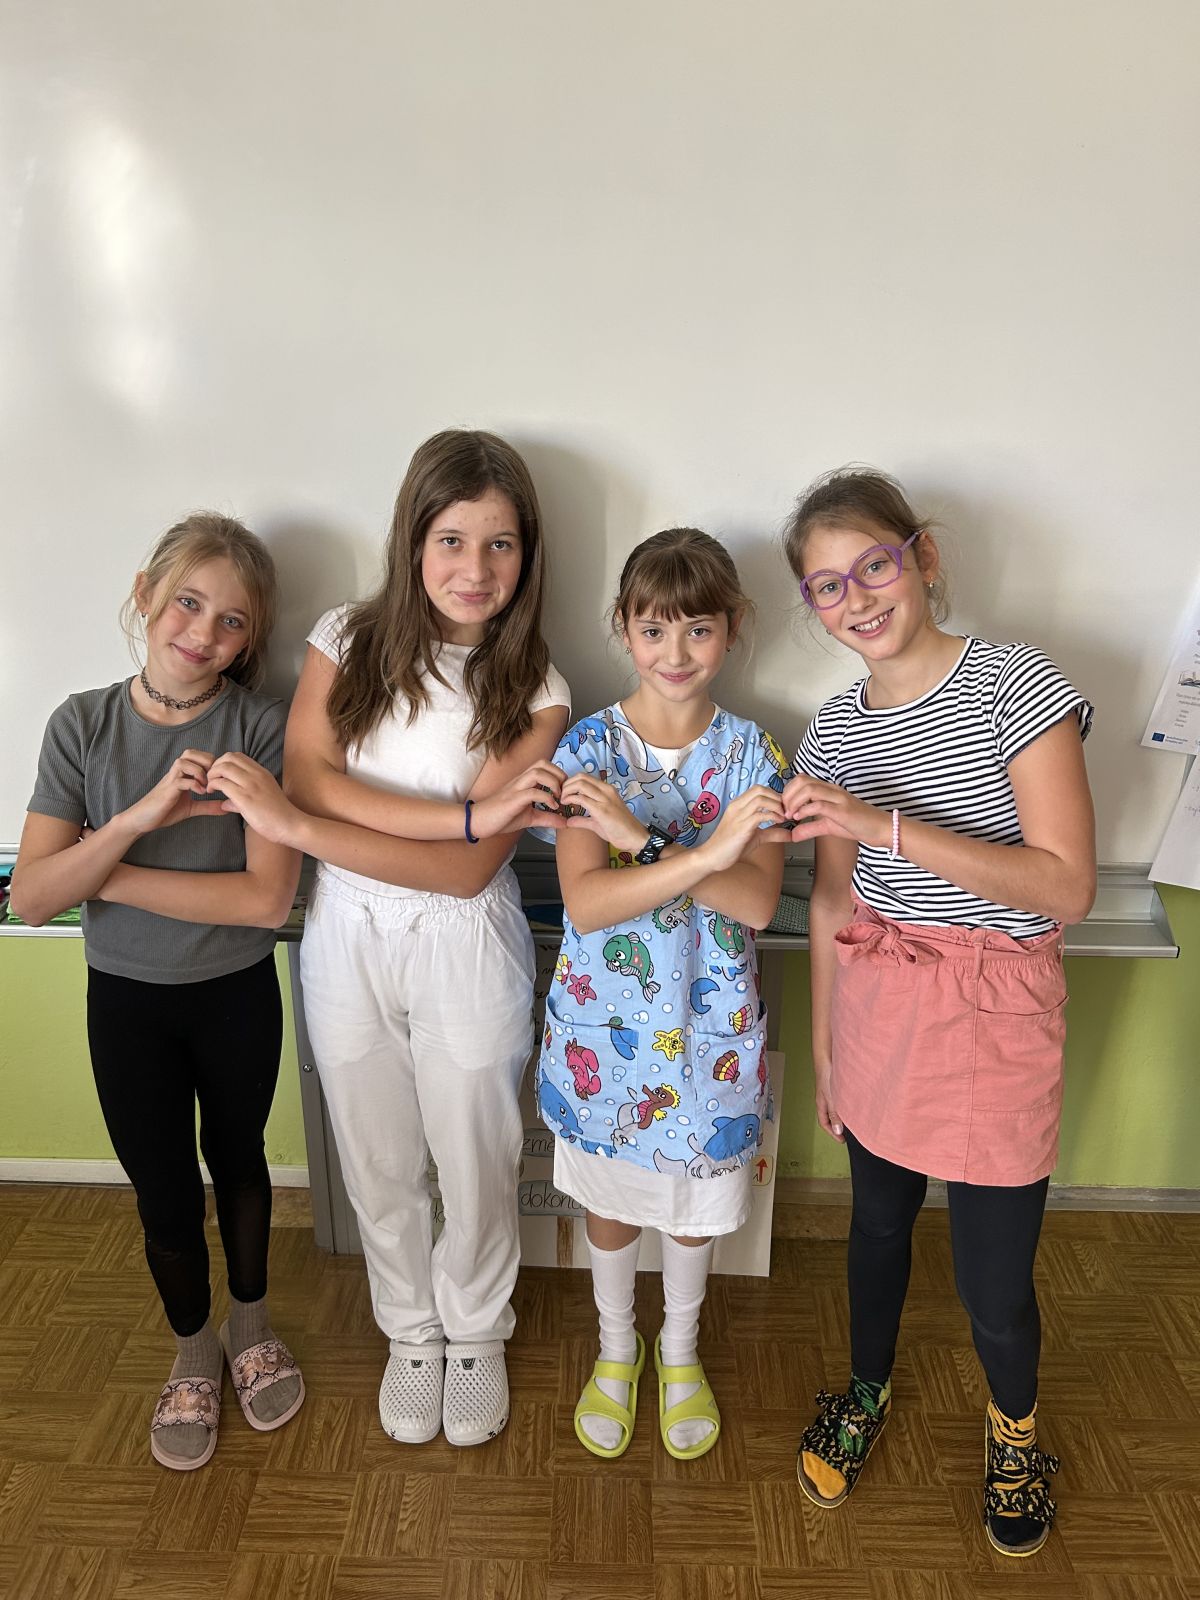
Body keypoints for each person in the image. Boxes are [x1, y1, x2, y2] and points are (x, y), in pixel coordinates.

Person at [211, 429, 571, 1448]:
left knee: (475, 1157)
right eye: (451, 539)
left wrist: (305, 829)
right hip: (346, 935)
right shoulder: (348, 636)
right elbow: (311, 774)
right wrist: (461, 815)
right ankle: (411, 1332)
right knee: (377, 1158)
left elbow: (466, 871)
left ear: (528, 553)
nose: (475, 569)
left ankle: (477, 1329)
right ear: (413, 539)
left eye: (500, 544)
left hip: (466, 944)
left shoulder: (538, 687)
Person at [780, 468, 1096, 1556]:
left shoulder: (1015, 683)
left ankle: (1016, 1434)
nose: (858, 598)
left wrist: (886, 825)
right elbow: (832, 900)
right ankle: (866, 1388)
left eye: (873, 565)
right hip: (881, 1001)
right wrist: (827, 1048)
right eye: (827, 586)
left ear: (922, 556)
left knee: (992, 1282)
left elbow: (1067, 884)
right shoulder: (832, 730)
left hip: (999, 1005)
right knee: (876, 1223)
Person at [13, 513, 305, 1471]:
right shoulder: (82, 724)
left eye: (232, 621)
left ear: (249, 640)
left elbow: (263, 902)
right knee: (163, 1188)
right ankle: (193, 1350)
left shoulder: (259, 727)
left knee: (240, 1164)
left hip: (234, 993)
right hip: (125, 1003)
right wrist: (139, 817)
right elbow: (31, 899)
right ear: (145, 594)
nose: (203, 632)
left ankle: (251, 1327)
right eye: (188, 602)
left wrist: (104, 870)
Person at [536, 527, 789, 1461]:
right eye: (653, 630)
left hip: (709, 1026)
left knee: (694, 1206)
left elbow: (756, 903)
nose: (674, 653)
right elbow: (587, 903)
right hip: (605, 1029)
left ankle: (678, 1352)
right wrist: (704, 856)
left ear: (732, 630)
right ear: (623, 629)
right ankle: (617, 1348)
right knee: (609, 1194)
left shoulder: (755, 754)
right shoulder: (587, 748)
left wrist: (642, 842)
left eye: (697, 630)